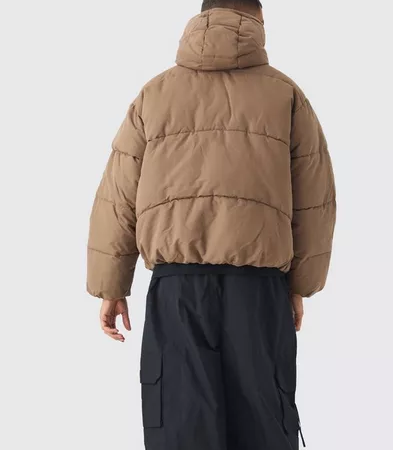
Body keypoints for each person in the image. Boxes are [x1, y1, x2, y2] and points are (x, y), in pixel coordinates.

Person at [87, 0, 336, 448]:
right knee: (264, 427)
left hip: (177, 291)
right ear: (257, 20)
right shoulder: (285, 95)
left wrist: (111, 285)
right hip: (259, 292)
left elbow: (118, 193)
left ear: (201, 17)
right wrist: (301, 284)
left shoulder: (155, 94)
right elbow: (315, 199)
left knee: (180, 429)